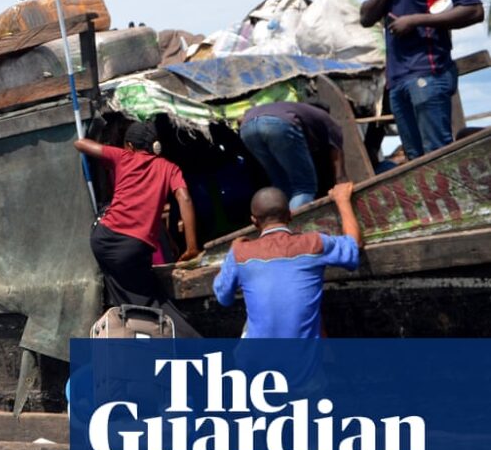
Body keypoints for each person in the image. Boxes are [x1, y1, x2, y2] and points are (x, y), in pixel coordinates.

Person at [359, 0, 485, 160]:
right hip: (397, 81)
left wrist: (416, 20)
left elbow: (474, 10)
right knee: (415, 159)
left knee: (437, 153)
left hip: (428, 73)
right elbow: (365, 17)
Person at [74, 122, 202, 336]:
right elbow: (185, 198)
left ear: (130, 146)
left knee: (130, 301)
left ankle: (141, 341)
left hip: (103, 238)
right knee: (151, 303)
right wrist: (192, 247)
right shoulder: (168, 167)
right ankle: (192, 344)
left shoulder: (123, 157)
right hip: (131, 247)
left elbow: (80, 144)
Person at [214, 183, 363, 338]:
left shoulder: (239, 252)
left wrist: (231, 253)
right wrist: (342, 200)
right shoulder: (314, 243)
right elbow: (353, 245)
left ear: (254, 221)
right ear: (290, 215)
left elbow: (223, 297)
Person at [239, 101, 346, 210]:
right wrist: (340, 181)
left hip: (247, 128)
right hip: (277, 124)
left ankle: (279, 217)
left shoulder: (293, 109)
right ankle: (297, 220)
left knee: (281, 185)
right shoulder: (326, 118)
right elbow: (337, 150)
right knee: (304, 187)